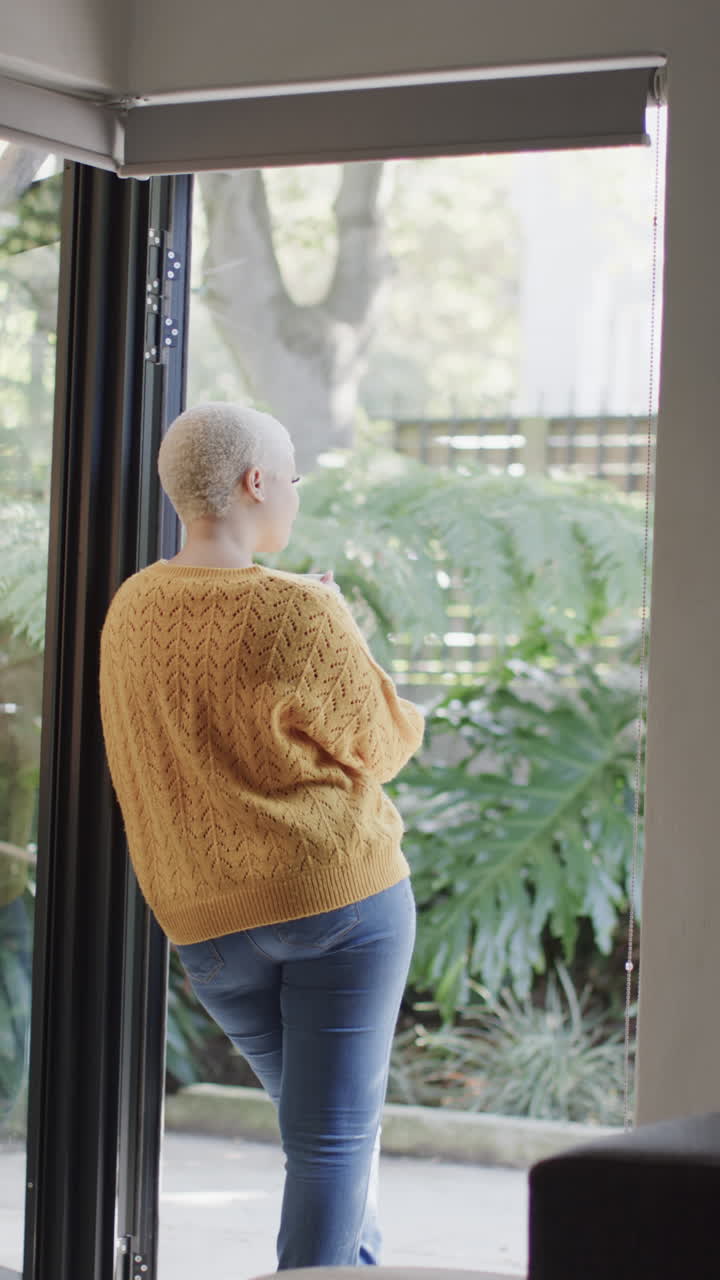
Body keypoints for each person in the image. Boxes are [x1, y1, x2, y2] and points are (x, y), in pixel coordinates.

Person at [98, 402, 425, 1270]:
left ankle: (354, 1266)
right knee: (332, 1142)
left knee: (322, 1136)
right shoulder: (297, 610)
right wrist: (337, 620)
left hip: (207, 926)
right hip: (339, 903)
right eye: (292, 477)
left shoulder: (130, 607)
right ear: (255, 483)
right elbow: (387, 744)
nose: (294, 494)